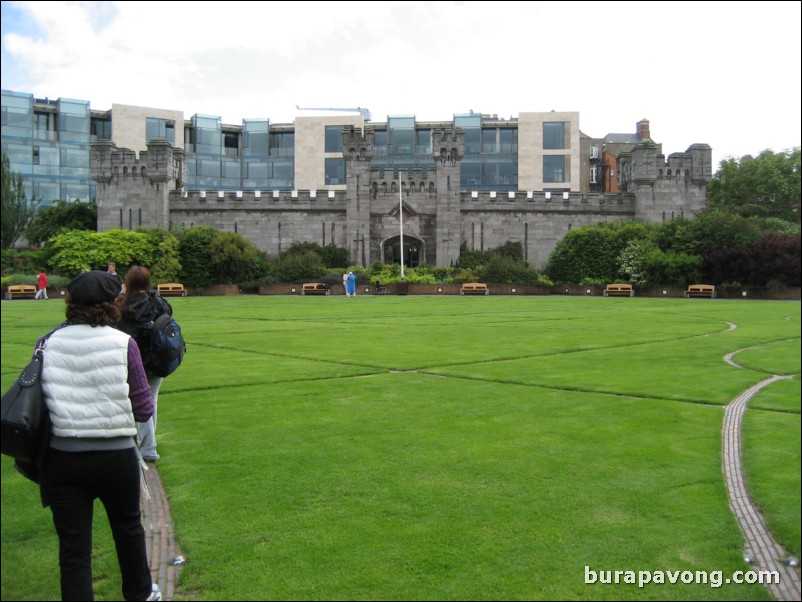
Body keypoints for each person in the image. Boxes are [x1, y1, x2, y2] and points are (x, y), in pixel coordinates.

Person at [36, 270, 161, 601]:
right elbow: (144, 408)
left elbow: (36, 403)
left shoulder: (47, 343)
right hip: (114, 456)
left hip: (61, 457)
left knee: (74, 549)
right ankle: (140, 594)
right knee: (128, 531)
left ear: (71, 303)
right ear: (113, 303)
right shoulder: (124, 343)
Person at [117, 266, 173, 463]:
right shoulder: (158, 302)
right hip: (160, 357)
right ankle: (147, 442)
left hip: (137, 359)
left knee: (141, 400)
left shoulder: (124, 306)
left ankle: (148, 447)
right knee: (151, 399)